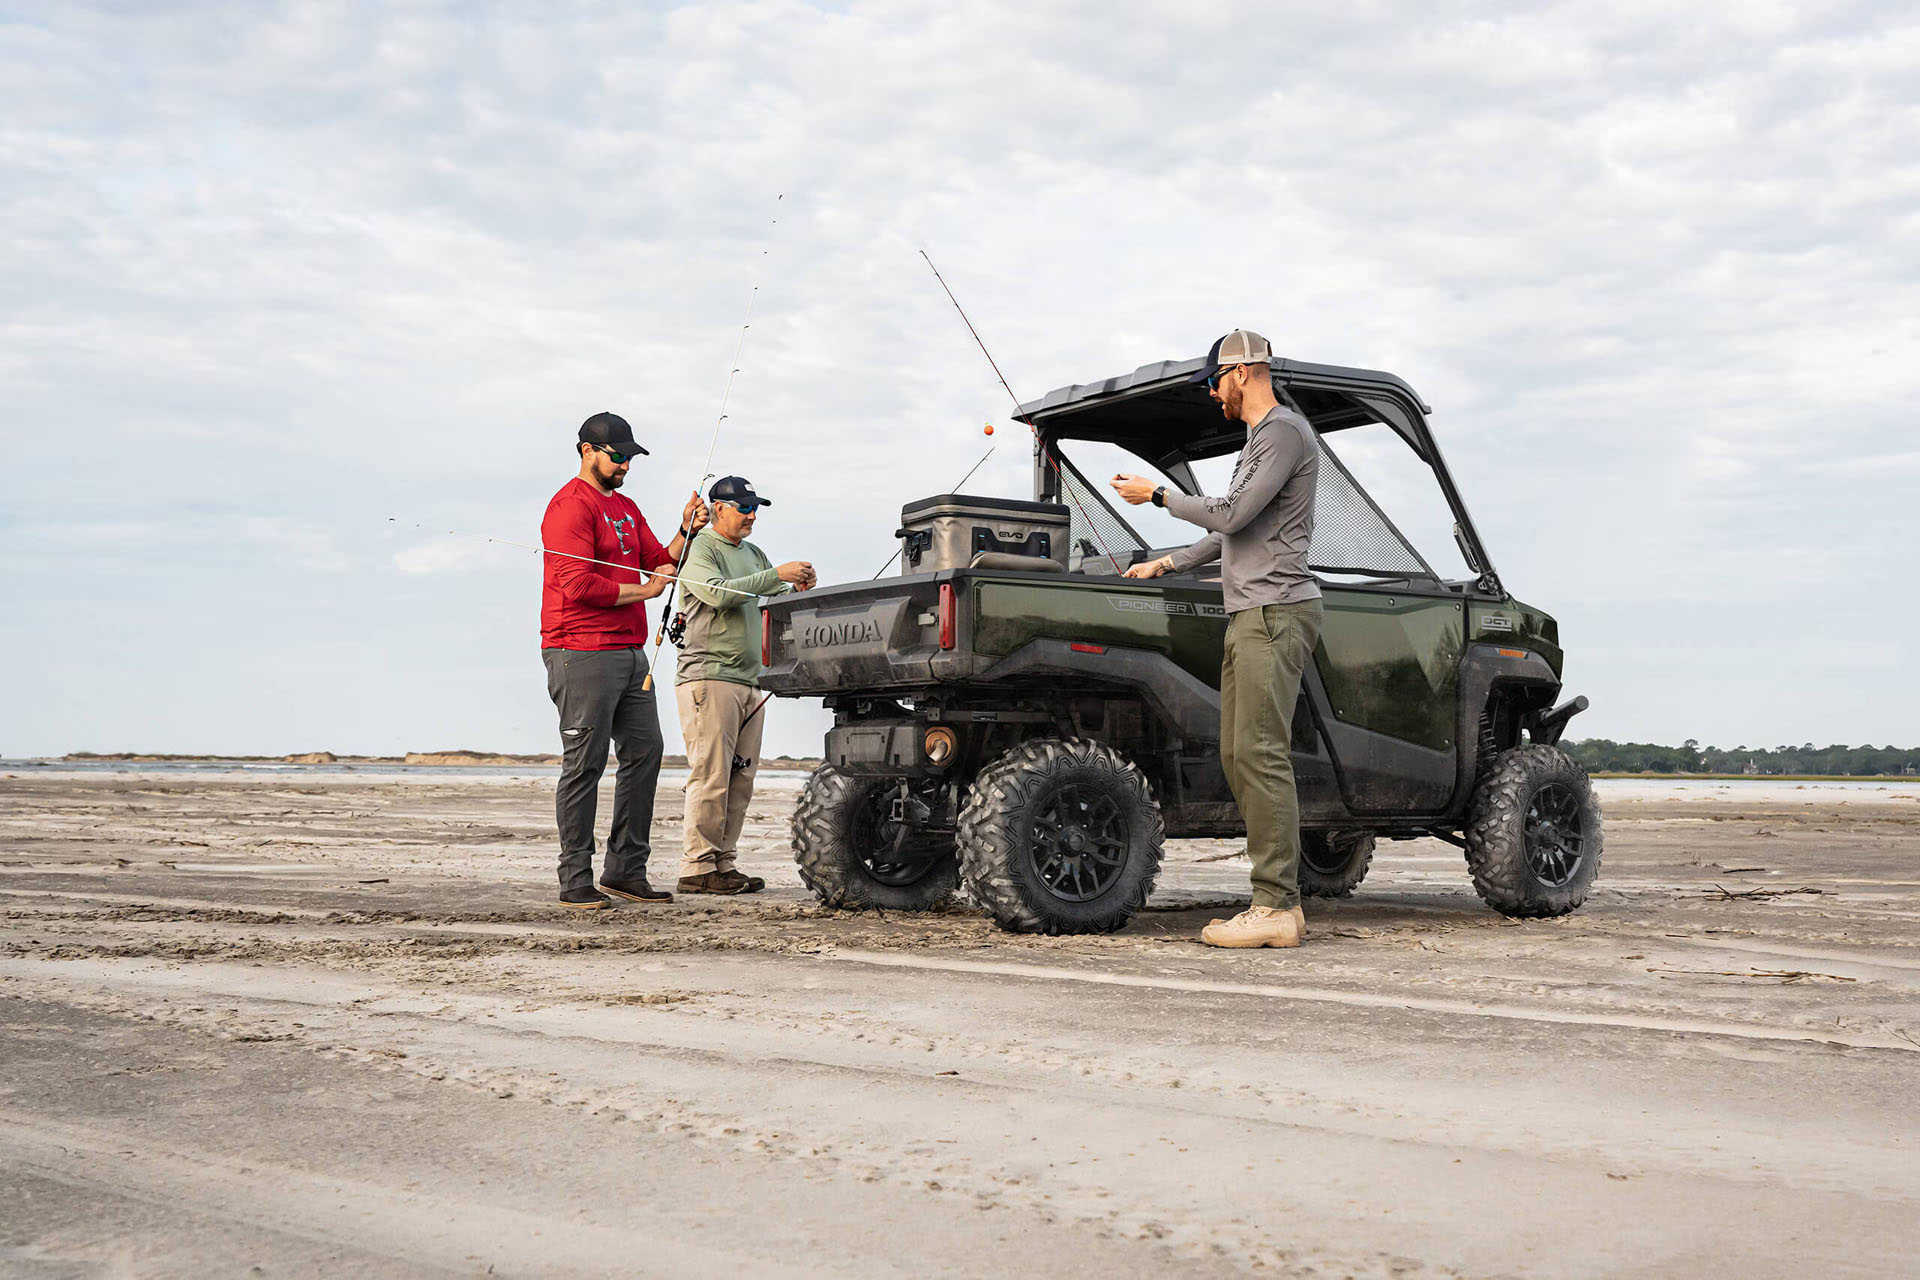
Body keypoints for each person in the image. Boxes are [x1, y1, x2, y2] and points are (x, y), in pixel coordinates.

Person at [1109, 331, 1323, 948]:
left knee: (1260, 753)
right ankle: (1276, 901)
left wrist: (1159, 495)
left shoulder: (1283, 431)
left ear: (1244, 371)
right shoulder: (1261, 440)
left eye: (1214, 380)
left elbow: (1229, 514)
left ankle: (1277, 905)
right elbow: (1234, 530)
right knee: (1238, 752)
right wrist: (1167, 564)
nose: (1212, 393)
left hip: (1276, 612)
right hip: (1251, 613)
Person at [540, 411, 708, 909]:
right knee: (584, 765)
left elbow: (661, 557)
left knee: (646, 752)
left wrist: (686, 530)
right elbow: (578, 584)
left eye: (630, 457)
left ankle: (625, 871)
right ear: (588, 451)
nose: (625, 466)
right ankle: (575, 879)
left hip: (631, 655)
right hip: (579, 651)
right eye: (618, 456)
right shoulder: (569, 508)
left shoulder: (627, 508)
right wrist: (646, 590)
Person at [673, 475, 815, 894]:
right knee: (711, 775)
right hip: (708, 677)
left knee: (741, 778)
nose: (752, 515)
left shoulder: (753, 553)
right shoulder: (700, 548)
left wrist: (796, 586)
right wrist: (776, 574)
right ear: (720, 508)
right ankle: (695, 867)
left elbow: (771, 599)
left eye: (756, 508)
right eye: (744, 508)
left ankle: (722, 862)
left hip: (751, 681)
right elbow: (718, 595)